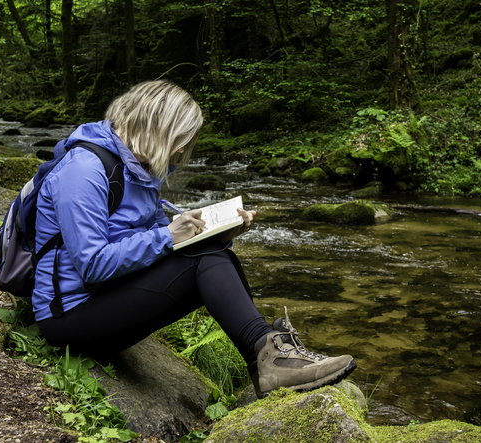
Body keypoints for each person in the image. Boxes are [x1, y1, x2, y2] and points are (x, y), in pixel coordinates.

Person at [32, 80, 356, 398]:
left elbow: (151, 241)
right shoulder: (83, 169)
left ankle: (267, 358)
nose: (184, 149)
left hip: (105, 296)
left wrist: (220, 233)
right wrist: (168, 235)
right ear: (156, 127)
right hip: (68, 316)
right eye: (181, 138)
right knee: (202, 258)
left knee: (212, 250)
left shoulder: (136, 168)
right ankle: (270, 358)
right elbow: (92, 264)